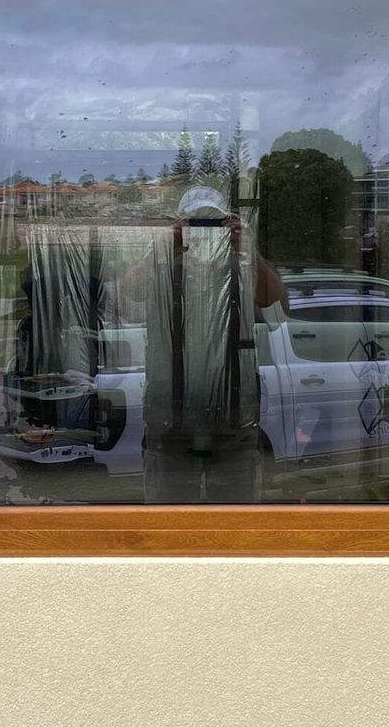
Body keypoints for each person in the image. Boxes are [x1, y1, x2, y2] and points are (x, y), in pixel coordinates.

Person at [120, 185, 286, 503]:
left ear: (230, 226)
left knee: (234, 528)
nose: (203, 233)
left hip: (234, 425)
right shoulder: (163, 266)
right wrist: (164, 250)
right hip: (170, 424)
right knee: (168, 528)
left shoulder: (243, 268)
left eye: (214, 223)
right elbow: (126, 296)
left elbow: (277, 308)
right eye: (194, 223)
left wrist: (251, 253)